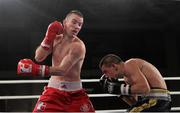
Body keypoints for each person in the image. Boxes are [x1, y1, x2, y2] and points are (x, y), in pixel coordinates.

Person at [17, 10, 95, 112]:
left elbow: (62, 70)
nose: (77, 27)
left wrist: (36, 69)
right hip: (53, 91)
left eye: (80, 24)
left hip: (75, 95)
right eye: (74, 22)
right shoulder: (55, 39)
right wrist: (48, 37)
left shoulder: (78, 46)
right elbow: (38, 57)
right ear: (65, 22)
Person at [99, 54, 171, 112]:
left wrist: (119, 88)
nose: (106, 75)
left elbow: (144, 89)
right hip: (152, 102)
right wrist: (119, 93)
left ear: (114, 66)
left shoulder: (130, 64)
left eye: (106, 71)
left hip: (158, 100)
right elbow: (134, 103)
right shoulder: (126, 78)